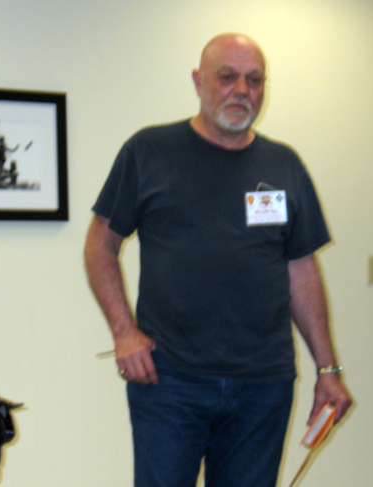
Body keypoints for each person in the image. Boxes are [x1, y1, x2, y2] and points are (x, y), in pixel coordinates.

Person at [84, 33, 352, 487]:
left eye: (254, 80)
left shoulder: (284, 164)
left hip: (263, 386)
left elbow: (302, 272)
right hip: (169, 381)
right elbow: (99, 244)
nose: (241, 91)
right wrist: (123, 331)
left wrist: (328, 370)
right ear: (198, 81)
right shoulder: (148, 151)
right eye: (227, 77)